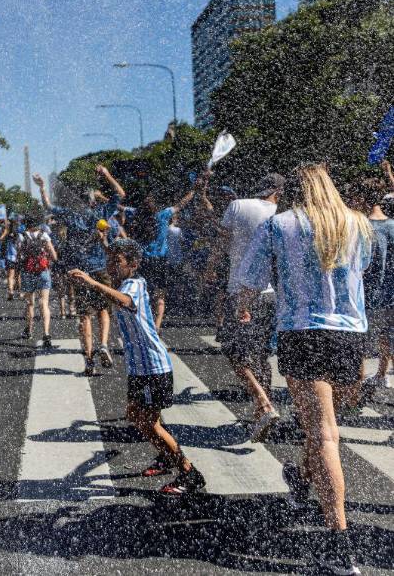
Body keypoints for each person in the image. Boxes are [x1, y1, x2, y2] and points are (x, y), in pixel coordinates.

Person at [237, 164, 372, 575]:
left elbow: (251, 278)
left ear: (294, 191)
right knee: (325, 425)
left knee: (324, 434)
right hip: (350, 337)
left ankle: (340, 547)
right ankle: (299, 476)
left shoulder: (280, 226)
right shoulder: (357, 224)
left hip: (303, 332)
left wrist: (242, 306)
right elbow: (359, 274)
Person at [69, 239, 206, 495]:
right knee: (135, 416)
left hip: (153, 367)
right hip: (140, 369)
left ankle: (189, 472)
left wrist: (92, 282)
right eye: (110, 260)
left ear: (133, 264)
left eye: (117, 261)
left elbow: (123, 301)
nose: (111, 265)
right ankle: (167, 457)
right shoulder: (125, 283)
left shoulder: (134, 284)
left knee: (150, 422)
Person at [208, 173, 285, 442]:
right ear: (279, 191)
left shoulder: (238, 205)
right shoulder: (281, 213)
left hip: (240, 291)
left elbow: (222, 241)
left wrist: (210, 267)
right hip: (271, 295)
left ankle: (263, 404)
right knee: (262, 356)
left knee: (234, 352)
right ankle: (263, 409)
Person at [35, 165, 125, 376]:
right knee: (104, 310)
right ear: (92, 201)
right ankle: (103, 344)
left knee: (84, 316)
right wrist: (107, 174)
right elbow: (120, 194)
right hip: (100, 268)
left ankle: (89, 360)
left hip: (79, 271)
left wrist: (41, 188)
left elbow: (48, 207)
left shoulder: (70, 214)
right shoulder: (101, 212)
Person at [130, 173, 203, 333]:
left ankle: (144, 322)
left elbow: (121, 208)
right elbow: (181, 204)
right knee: (160, 294)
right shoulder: (162, 215)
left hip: (144, 262)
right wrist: (194, 190)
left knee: (144, 294)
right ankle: (157, 325)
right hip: (161, 261)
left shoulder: (138, 217)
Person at [346, 175, 393, 394]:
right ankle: (382, 376)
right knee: (388, 338)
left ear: (361, 199)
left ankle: (356, 388)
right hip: (391, 295)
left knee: (359, 344)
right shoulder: (393, 225)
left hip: (365, 295)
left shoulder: (360, 226)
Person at [17, 213, 58, 349]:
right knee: (44, 303)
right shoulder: (44, 235)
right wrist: (48, 261)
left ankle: (28, 330)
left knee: (30, 303)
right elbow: (54, 255)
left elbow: (19, 256)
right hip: (43, 271)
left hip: (28, 272)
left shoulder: (22, 236)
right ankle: (46, 333)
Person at [0, 218, 20, 300]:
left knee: (10, 276)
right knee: (18, 276)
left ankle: (11, 291)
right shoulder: (19, 235)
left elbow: (0, 239)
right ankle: (19, 292)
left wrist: (5, 231)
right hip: (18, 258)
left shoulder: (8, 235)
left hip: (9, 258)